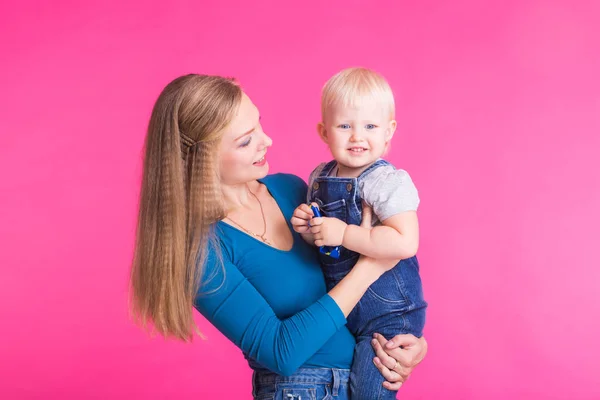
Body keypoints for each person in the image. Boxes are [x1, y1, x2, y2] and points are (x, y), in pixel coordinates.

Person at [130, 74, 427, 399]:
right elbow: (281, 352)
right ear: (203, 159)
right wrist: (371, 267)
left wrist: (404, 340)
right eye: (245, 141)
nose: (267, 140)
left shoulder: (293, 189)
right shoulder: (200, 253)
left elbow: (349, 287)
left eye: (259, 124)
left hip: (356, 375)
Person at [292, 67, 427, 399]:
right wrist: (312, 230)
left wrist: (343, 232)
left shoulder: (386, 181)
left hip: (387, 316)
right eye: (344, 126)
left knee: (369, 391)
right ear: (324, 132)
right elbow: (329, 247)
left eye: (369, 126)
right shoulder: (319, 177)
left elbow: (404, 242)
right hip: (343, 308)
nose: (357, 136)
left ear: (388, 131)